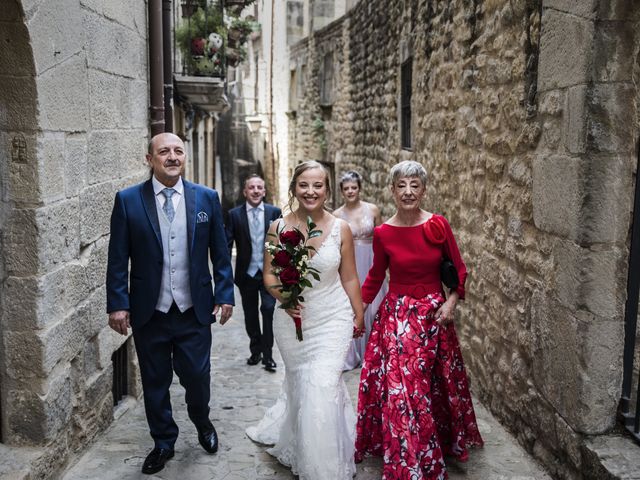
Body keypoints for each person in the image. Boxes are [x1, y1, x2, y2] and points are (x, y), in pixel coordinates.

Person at [106, 133, 234, 475]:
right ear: (150, 159)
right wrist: (118, 304)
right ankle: (163, 441)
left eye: (178, 151)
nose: (173, 156)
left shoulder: (206, 198)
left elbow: (220, 254)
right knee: (155, 380)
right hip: (150, 311)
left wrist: (224, 294)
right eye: (164, 151)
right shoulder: (128, 200)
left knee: (196, 376)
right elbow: (118, 258)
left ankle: (202, 420)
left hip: (194, 311)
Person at [355, 160, 483, 479]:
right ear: (392, 191)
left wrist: (451, 302)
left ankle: (427, 444)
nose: (408, 191)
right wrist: (356, 311)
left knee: (428, 389)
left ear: (424, 190)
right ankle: (407, 461)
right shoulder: (383, 233)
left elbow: (460, 270)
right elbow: (374, 276)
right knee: (400, 390)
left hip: (432, 318)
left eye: (415, 185)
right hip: (395, 318)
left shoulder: (437, 225)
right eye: (402, 185)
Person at [246, 160, 365, 479]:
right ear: (293, 188)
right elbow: (269, 275)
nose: (311, 191)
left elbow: (350, 277)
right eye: (304, 185)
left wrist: (359, 312)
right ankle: (303, 440)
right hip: (292, 323)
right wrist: (284, 298)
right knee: (302, 386)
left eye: (318, 185)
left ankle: (322, 469)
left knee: (322, 385)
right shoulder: (278, 228)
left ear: (328, 190)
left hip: (333, 318)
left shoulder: (341, 229)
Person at [225, 174, 282, 371]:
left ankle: (268, 355)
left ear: (264, 191)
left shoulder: (275, 212)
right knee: (250, 314)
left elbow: (282, 243)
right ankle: (255, 350)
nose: (256, 191)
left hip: (269, 273)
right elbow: (227, 244)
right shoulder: (234, 215)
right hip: (246, 274)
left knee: (268, 310)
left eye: (259, 187)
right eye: (252, 188)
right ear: (245, 192)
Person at [333, 170, 387, 370]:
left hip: (371, 261)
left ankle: (374, 352)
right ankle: (353, 353)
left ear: (359, 189)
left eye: (353, 187)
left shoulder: (372, 210)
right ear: (341, 191)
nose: (350, 191)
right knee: (351, 307)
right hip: (350, 263)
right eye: (346, 188)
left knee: (375, 309)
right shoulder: (336, 215)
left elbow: (382, 238)